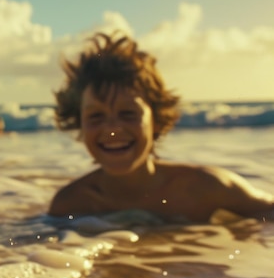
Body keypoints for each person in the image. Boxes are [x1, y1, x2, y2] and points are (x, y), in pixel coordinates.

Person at [48, 32, 274, 223]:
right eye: (96, 116)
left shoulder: (206, 189)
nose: (113, 129)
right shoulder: (71, 205)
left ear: (156, 119)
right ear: (79, 124)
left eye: (128, 113)